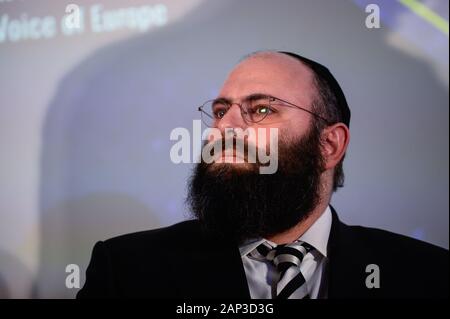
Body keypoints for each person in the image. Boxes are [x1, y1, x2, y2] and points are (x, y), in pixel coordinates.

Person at [77, 51, 448, 299]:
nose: (226, 128)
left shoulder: (427, 275)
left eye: (262, 110)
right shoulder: (127, 272)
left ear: (330, 146)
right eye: (221, 111)